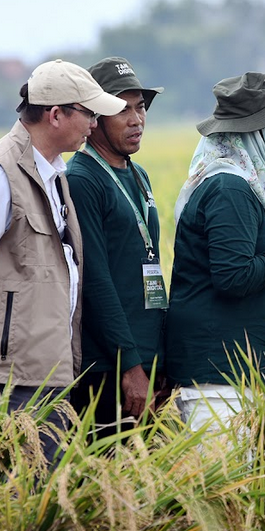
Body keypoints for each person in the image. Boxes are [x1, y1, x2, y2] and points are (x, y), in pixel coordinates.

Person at [0, 59, 125, 465]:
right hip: (7, 378)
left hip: (47, 370)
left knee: (47, 490)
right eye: (89, 114)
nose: (94, 124)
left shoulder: (55, 173)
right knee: (15, 492)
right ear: (55, 115)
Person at [165, 72, 265, 430]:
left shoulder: (248, 186)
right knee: (224, 468)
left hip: (240, 371)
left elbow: (241, 268)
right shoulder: (229, 189)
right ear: (263, 133)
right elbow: (232, 277)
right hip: (219, 376)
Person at [66, 57, 167, 436]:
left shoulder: (138, 175)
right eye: (122, 109)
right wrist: (130, 366)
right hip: (111, 366)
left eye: (140, 107)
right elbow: (95, 281)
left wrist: (159, 355)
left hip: (148, 357)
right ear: (94, 117)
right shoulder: (82, 180)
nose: (136, 119)